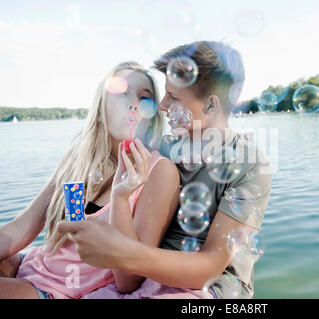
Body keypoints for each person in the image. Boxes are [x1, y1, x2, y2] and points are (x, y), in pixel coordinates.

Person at [58, 41, 273, 299]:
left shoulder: (250, 164)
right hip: (147, 278)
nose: (161, 105)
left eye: (173, 97)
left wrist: (121, 252)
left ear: (211, 106)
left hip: (210, 290)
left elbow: (210, 267)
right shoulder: (162, 150)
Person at [0, 61, 183, 298]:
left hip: (56, 289)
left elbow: (128, 281)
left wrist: (120, 196)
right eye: (121, 92)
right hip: (31, 265)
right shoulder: (79, 158)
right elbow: (23, 227)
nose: (133, 103)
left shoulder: (159, 172)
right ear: (101, 106)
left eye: (144, 97)